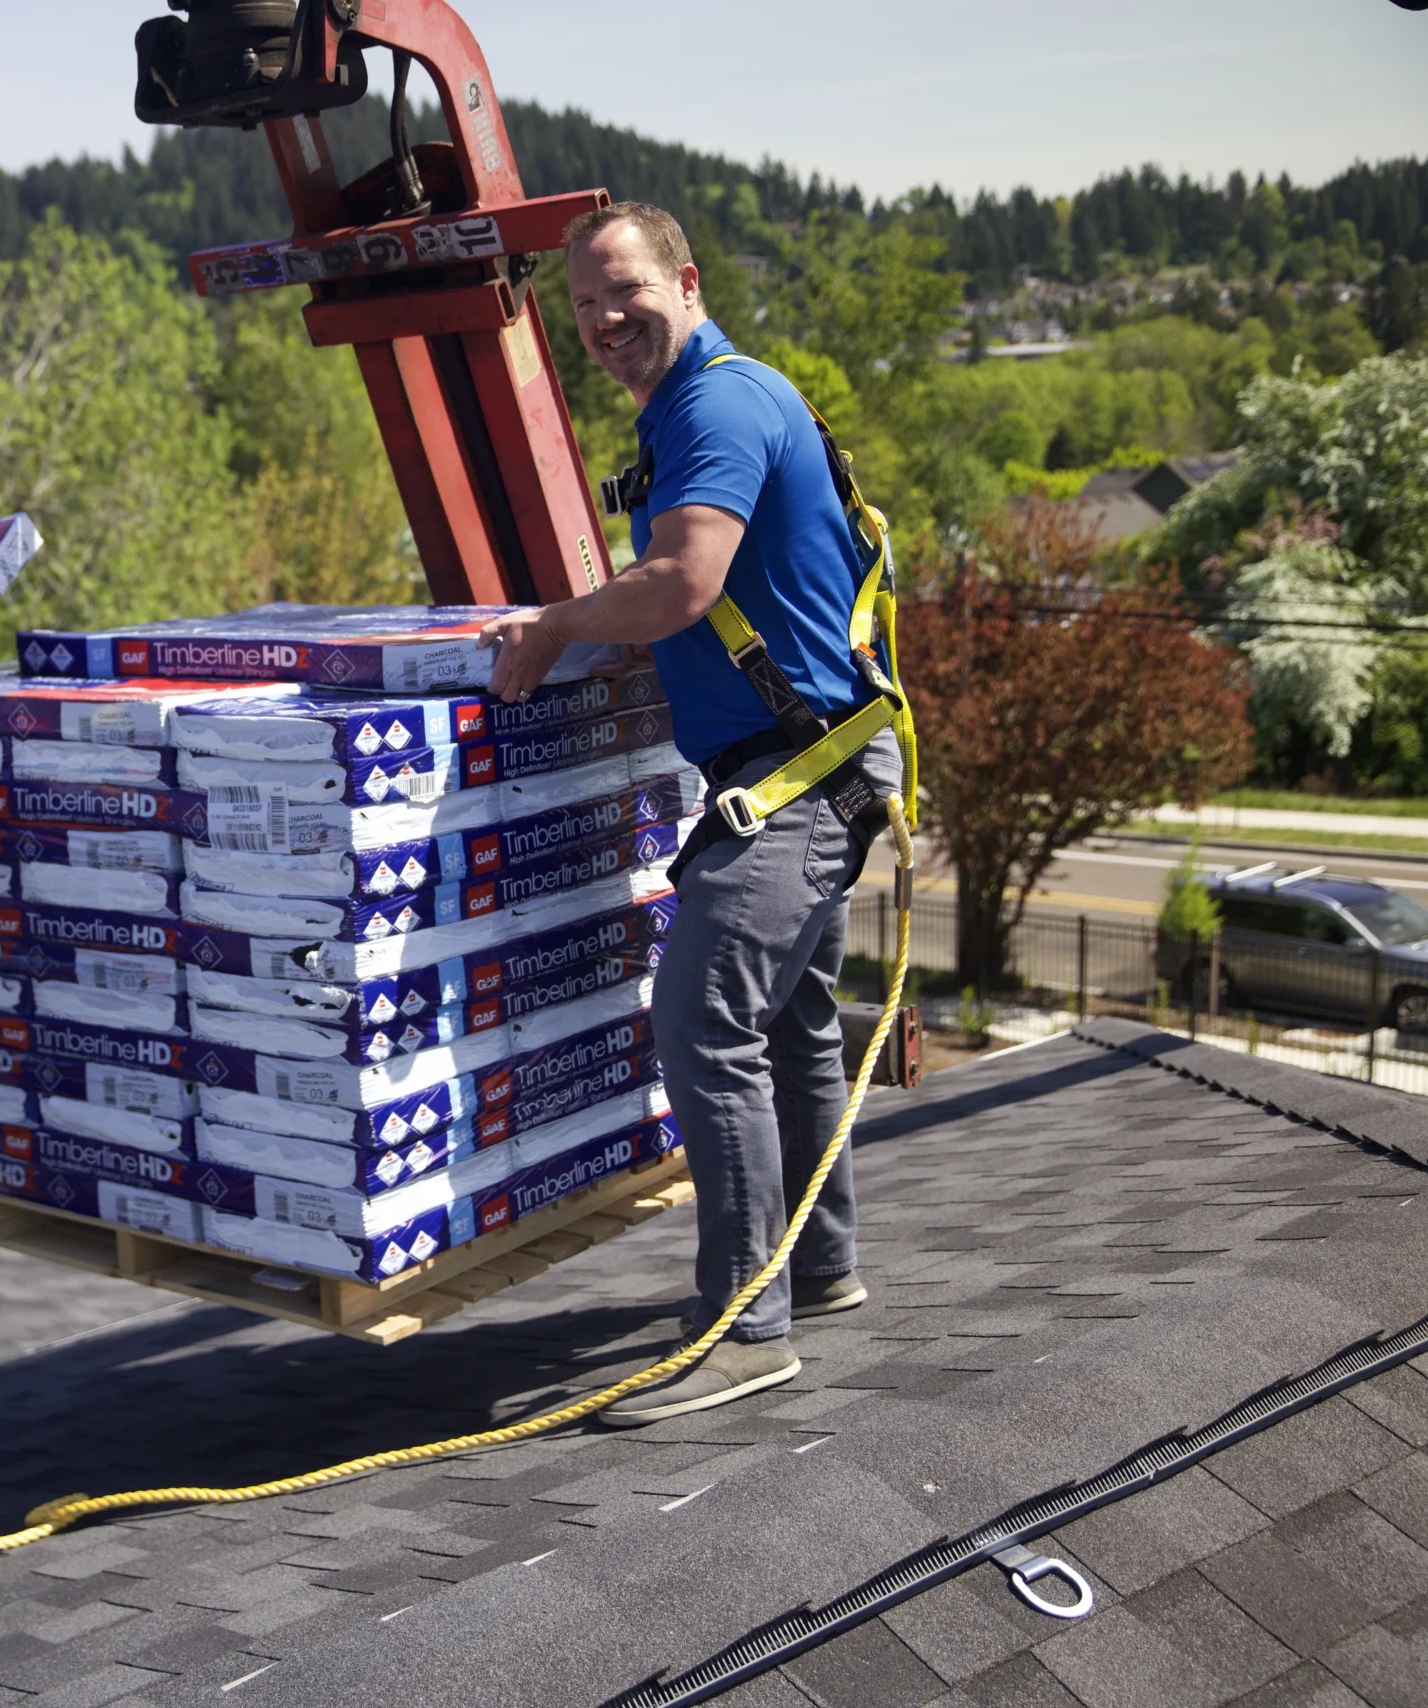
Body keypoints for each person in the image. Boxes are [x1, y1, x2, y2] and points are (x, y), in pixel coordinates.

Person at [478, 204, 901, 1422]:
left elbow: (680, 582)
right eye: (586, 310)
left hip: (789, 778)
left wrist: (558, 622)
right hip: (823, 758)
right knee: (792, 1027)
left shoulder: (714, 407)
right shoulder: (722, 398)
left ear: (687, 281)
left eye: (626, 293)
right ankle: (818, 1268)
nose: (606, 322)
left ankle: (743, 1327)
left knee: (700, 1028)